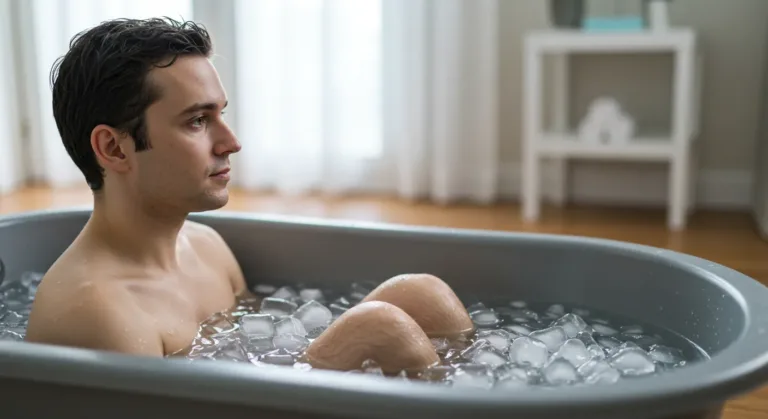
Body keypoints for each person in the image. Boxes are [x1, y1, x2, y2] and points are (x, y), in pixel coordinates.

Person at [25, 17, 473, 374]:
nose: (231, 142)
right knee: (382, 326)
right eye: (197, 121)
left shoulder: (206, 247)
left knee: (422, 293)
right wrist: (349, 347)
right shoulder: (99, 314)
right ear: (114, 147)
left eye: (220, 114)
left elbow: (255, 352)